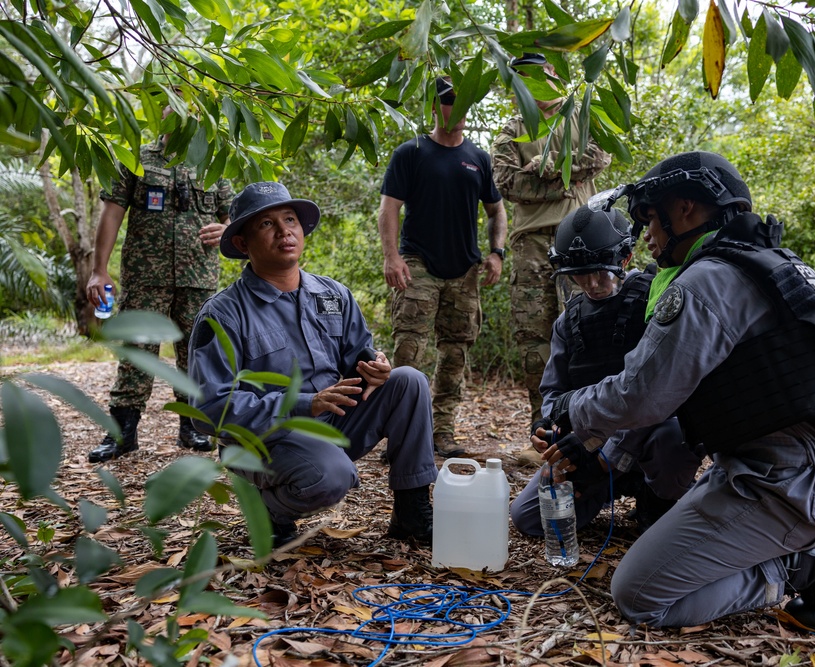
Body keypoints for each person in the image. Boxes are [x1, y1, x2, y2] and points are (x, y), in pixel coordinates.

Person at [546, 151, 815, 634]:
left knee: (640, 595)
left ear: (687, 209)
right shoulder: (766, 262)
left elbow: (642, 396)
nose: (647, 236)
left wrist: (571, 408)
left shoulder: (705, 281)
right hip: (806, 461)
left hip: (790, 480)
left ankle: (812, 565)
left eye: (652, 219)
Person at [188, 182, 436, 547]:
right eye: (267, 224)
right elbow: (207, 411)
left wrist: (375, 367)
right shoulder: (223, 313)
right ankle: (268, 509)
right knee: (332, 476)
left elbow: (360, 356)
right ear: (242, 243)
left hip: (329, 422)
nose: (284, 231)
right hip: (265, 439)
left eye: (290, 220)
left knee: (408, 381)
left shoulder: (333, 295)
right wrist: (306, 402)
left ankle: (412, 512)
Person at [509, 206, 702, 537]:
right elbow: (553, 394)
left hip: (645, 440)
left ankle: (661, 499)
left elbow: (661, 395)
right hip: (591, 444)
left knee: (674, 435)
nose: (592, 284)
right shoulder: (568, 321)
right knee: (529, 518)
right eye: (579, 275)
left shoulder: (656, 300)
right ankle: (602, 488)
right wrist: (549, 426)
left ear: (624, 259)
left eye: (600, 272)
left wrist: (603, 460)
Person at [491, 53, 612, 464]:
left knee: (584, 329)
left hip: (579, 238)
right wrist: (561, 176)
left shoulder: (580, 115)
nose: (533, 83)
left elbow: (598, 158)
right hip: (530, 244)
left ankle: (588, 432)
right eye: (523, 78)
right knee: (534, 339)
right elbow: (507, 182)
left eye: (540, 75)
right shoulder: (513, 127)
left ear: (553, 76)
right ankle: (541, 435)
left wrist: (539, 167)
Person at [378, 77, 508, 457]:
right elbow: (389, 208)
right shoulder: (412, 152)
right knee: (408, 354)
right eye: (451, 101)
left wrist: (496, 251)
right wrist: (391, 256)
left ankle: (442, 433)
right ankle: (401, 437)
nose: (459, 109)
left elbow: (496, 211)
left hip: (464, 272)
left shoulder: (479, 158)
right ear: (435, 107)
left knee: (454, 357)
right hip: (417, 265)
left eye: (465, 101)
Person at [86, 130, 233, 463]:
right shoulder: (135, 159)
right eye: (172, 94)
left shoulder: (212, 162)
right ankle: (123, 432)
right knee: (137, 351)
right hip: (145, 272)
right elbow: (112, 212)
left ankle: (193, 426)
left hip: (198, 276)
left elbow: (233, 217)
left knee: (196, 352)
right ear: (161, 103)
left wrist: (228, 231)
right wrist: (99, 269)